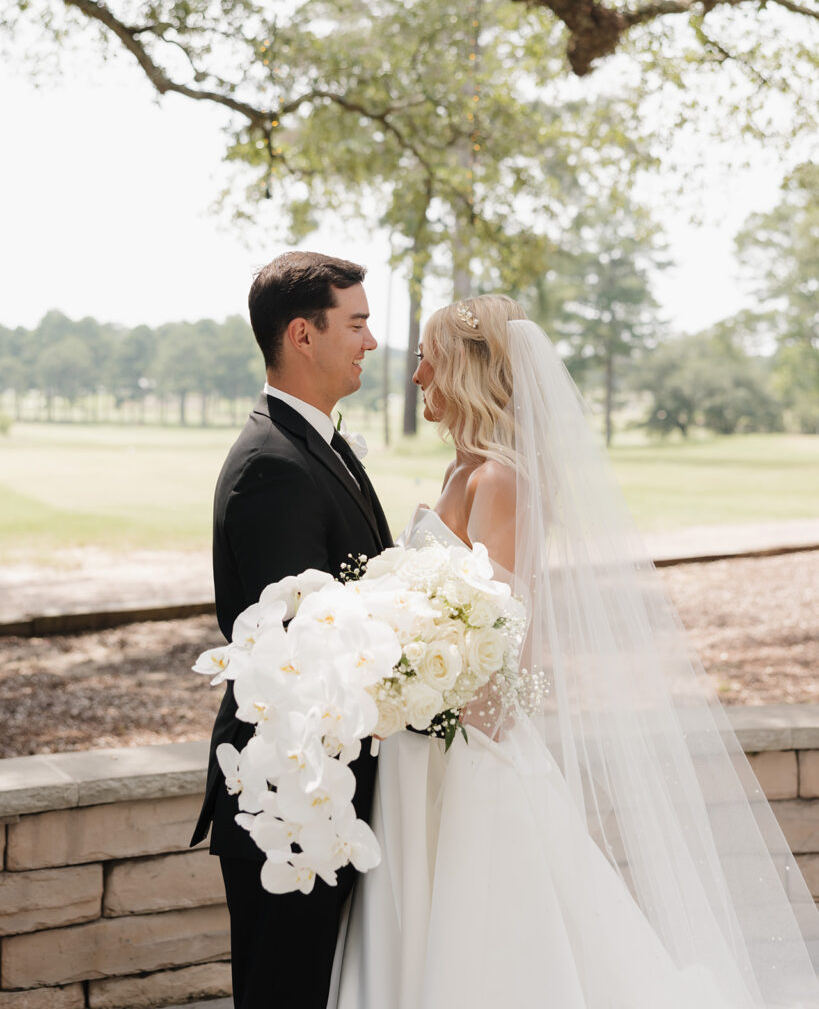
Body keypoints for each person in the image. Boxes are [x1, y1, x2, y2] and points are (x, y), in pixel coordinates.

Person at [329, 295, 819, 1008]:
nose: (415, 374)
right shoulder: (460, 471)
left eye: (426, 356)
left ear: (466, 367)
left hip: (467, 747)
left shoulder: (501, 478)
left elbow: (506, 633)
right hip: (424, 739)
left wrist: (432, 705)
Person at [190, 251, 393, 1009]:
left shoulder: (319, 445)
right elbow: (303, 646)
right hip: (291, 796)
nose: (371, 342)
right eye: (358, 323)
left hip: (329, 786)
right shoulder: (272, 465)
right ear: (303, 335)